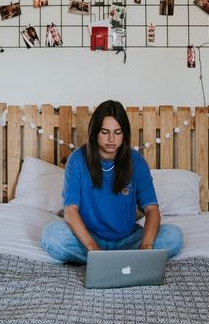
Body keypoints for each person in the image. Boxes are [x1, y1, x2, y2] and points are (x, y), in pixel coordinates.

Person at [40, 100, 183, 264]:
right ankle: (118, 262)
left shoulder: (136, 161)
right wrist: (94, 249)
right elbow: (70, 211)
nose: (111, 139)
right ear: (95, 132)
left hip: (127, 240)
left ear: (125, 134)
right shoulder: (77, 160)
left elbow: (151, 209)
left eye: (117, 132)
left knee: (173, 236)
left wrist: (146, 245)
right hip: (88, 239)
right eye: (105, 131)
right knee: (52, 235)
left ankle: (115, 261)